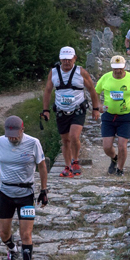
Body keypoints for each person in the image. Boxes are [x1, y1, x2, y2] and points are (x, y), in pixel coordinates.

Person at [0, 115, 48, 260]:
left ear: (22, 130)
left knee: (26, 234)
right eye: (9, 135)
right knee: (4, 233)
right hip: (6, 193)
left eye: (15, 135)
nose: (12, 138)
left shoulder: (33, 143)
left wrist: (43, 190)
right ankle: (12, 249)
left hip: (26, 194)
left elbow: (42, 166)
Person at [41, 46, 100, 178]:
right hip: (61, 110)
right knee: (65, 140)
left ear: (74, 58)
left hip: (78, 109)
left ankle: (76, 161)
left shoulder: (81, 72)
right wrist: (46, 110)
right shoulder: (54, 72)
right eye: (64, 59)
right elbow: (48, 91)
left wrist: (95, 109)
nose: (66, 62)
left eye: (69, 59)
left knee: (74, 136)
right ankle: (67, 166)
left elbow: (92, 90)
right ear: (60, 59)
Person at [95, 55, 130, 176]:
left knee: (122, 145)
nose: (118, 71)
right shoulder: (105, 78)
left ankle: (120, 170)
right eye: (115, 68)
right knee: (106, 147)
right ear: (112, 67)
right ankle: (114, 158)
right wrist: (98, 105)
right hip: (108, 116)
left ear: (124, 67)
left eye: (120, 68)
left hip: (125, 116)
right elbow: (96, 92)